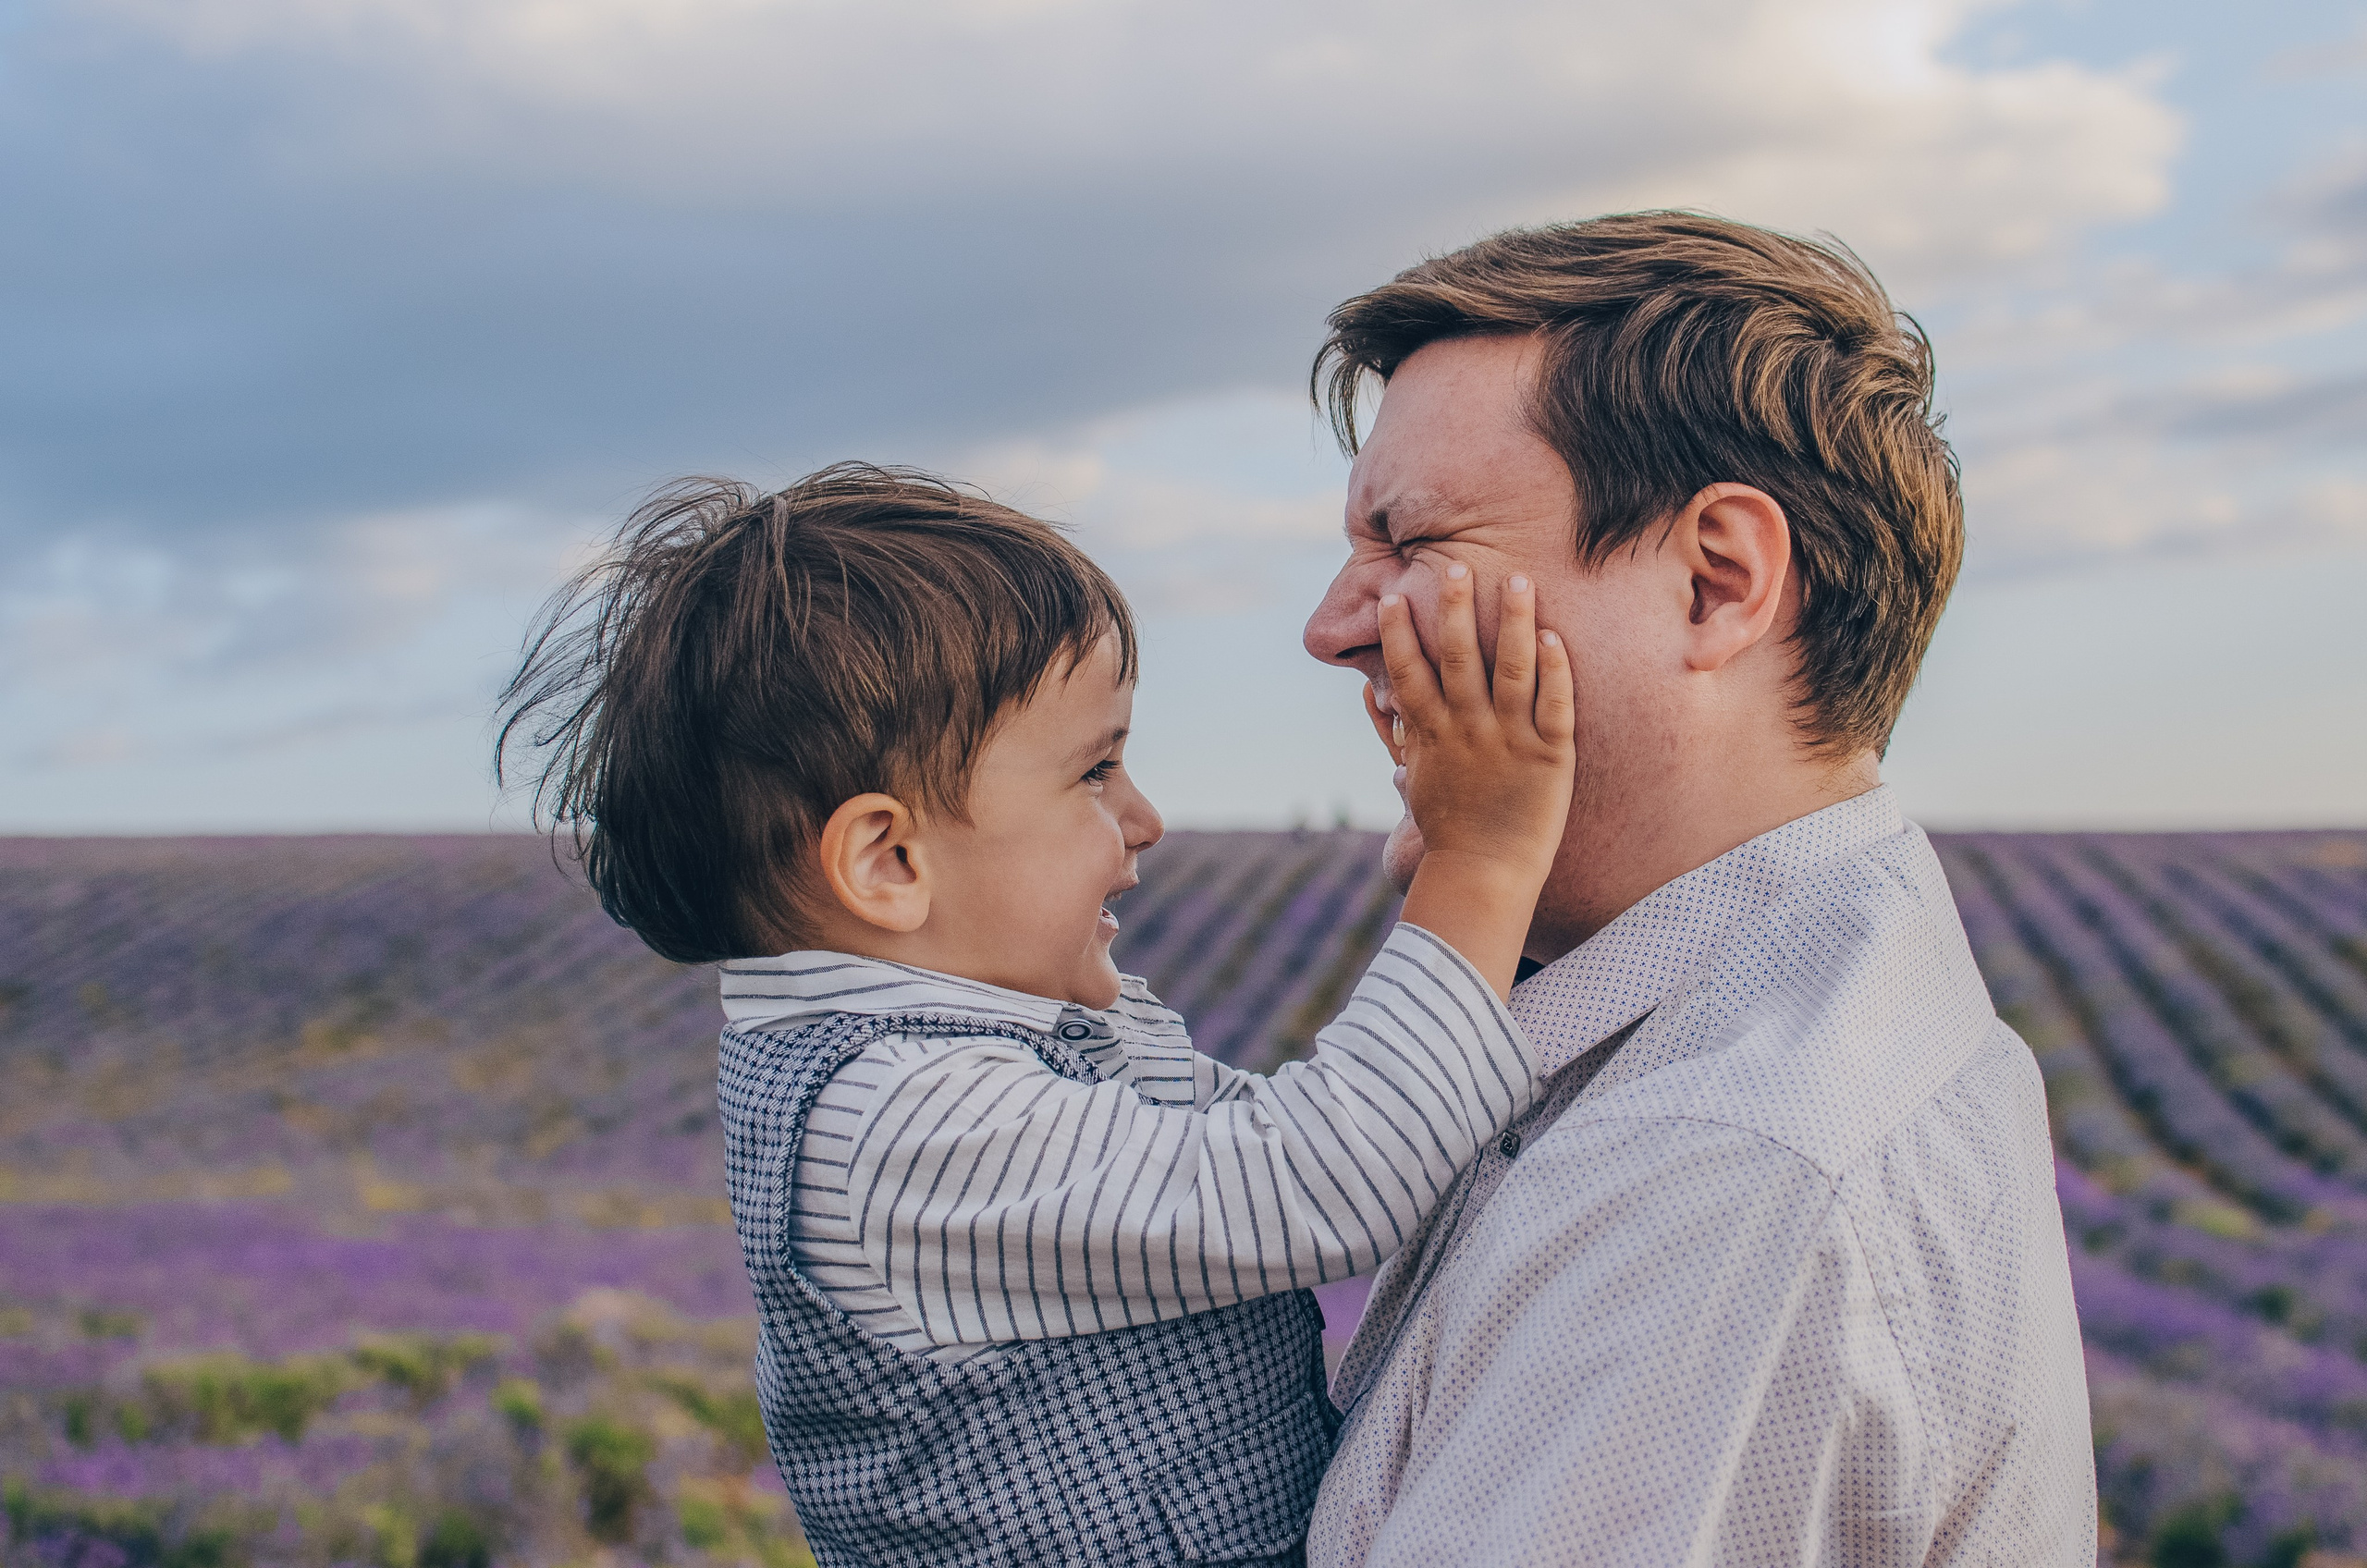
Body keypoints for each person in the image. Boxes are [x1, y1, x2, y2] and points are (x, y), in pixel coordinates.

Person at [496, 463, 1582, 1567]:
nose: (1145, 817)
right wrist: (1482, 856)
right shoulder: (900, 1118)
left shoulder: (993, 1057)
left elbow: (1322, 1138)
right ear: (888, 860)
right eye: (1095, 771)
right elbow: (1324, 1174)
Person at [1299, 213, 2094, 1565]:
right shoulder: (1815, 1006)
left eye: (1412, 540)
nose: (1334, 626)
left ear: (1717, 583)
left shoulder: (1715, 1173)